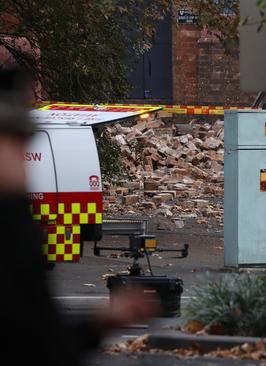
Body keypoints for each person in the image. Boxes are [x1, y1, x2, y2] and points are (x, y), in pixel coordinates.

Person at [0, 68, 156, 366]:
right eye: (17, 146)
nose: (23, 163)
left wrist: (99, 324)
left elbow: (39, 335)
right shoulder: (11, 229)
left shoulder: (15, 223)